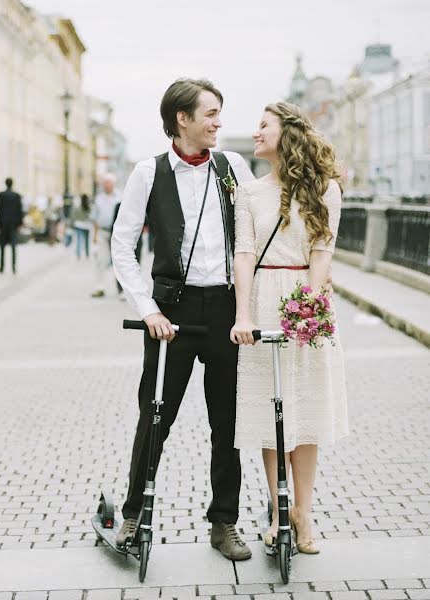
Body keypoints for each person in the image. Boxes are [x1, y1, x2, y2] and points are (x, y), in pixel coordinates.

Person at [111, 78, 255, 560]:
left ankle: (225, 523)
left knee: (227, 425)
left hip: (225, 313)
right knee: (155, 419)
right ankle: (134, 514)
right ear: (183, 119)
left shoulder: (232, 166)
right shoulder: (147, 173)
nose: (219, 122)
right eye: (211, 113)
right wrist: (147, 309)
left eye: (220, 112)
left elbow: (254, 228)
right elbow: (122, 245)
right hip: (171, 315)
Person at [230, 102, 348, 555]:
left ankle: (303, 511)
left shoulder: (326, 189)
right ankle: (278, 512)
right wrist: (244, 315)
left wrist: (309, 305)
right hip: (262, 299)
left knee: (305, 414)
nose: (255, 133)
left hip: (306, 295)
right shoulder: (249, 194)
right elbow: (243, 255)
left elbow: (322, 250)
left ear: (288, 134)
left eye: (264, 126)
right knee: (268, 413)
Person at [90, 174, 120, 297]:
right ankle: (100, 286)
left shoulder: (120, 197)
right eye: (105, 183)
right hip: (102, 232)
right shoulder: (99, 199)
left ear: (113, 184)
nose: (107, 185)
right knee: (101, 260)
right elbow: (95, 218)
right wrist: (95, 236)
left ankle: (121, 289)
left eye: (109, 183)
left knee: (118, 261)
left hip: (117, 233)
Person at [0, 177, 24, 274]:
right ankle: (14, 266)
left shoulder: (1, 195)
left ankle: (2, 266)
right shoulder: (16, 196)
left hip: (3, 223)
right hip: (13, 224)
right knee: (13, 246)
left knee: (2, 246)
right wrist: (19, 223)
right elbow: (19, 211)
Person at [71, 194, 91, 259]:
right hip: (86, 226)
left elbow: (73, 217)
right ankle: (87, 254)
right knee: (86, 241)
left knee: (79, 240)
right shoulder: (88, 208)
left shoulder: (78, 208)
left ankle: (78, 254)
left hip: (78, 225)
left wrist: (72, 225)